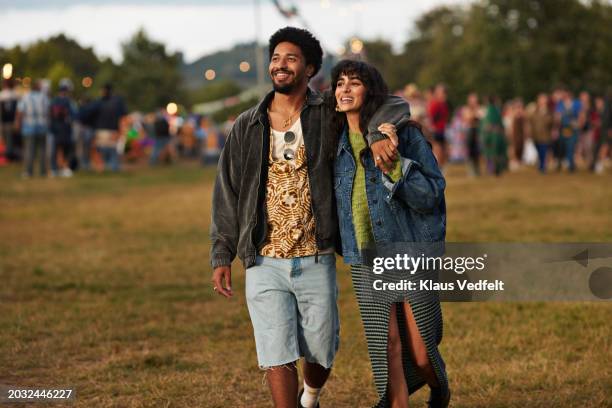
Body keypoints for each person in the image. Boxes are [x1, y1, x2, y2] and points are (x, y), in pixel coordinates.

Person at [210, 26, 408, 408]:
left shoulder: (327, 114)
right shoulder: (247, 125)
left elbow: (394, 103)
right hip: (263, 259)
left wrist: (377, 131)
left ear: (310, 68)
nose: (280, 65)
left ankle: (310, 395)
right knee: (276, 349)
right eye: (275, 58)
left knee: (321, 349)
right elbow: (226, 192)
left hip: (315, 255)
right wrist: (222, 253)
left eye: (291, 58)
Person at [330, 59, 449, 408]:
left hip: (409, 248)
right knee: (387, 346)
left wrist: (396, 166)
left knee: (423, 351)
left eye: (354, 82)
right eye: (340, 83)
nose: (345, 89)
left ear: (371, 91)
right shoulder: (333, 141)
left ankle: (439, 389)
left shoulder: (404, 135)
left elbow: (431, 193)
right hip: (365, 254)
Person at [15, 79, 50, 178]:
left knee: (29, 150)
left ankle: (28, 172)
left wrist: (18, 124)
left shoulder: (26, 97)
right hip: (42, 126)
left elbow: (20, 112)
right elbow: (49, 112)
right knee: (42, 150)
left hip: (29, 127)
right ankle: (43, 172)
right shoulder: (44, 97)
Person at [93, 83, 127, 172]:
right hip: (112, 131)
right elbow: (123, 117)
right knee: (112, 152)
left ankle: (106, 169)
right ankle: (112, 169)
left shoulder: (99, 102)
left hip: (104, 131)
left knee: (104, 152)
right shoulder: (117, 102)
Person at [49, 78, 76, 177]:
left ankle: (54, 169)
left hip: (55, 129)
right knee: (66, 150)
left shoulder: (53, 101)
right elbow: (74, 115)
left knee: (55, 150)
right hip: (65, 129)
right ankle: (65, 168)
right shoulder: (69, 101)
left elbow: (50, 116)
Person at [480, 96, 508, 176]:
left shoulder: (490, 110)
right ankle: (495, 169)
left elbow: (487, 125)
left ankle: (493, 169)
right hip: (495, 135)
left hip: (492, 135)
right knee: (495, 153)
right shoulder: (495, 110)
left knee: (492, 153)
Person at [528, 93, 554, 173]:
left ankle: (543, 167)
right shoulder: (534, 111)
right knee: (539, 151)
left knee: (543, 151)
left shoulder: (549, 111)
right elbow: (530, 120)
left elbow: (551, 122)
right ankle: (541, 165)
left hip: (545, 136)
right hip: (536, 136)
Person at [427, 83, 449, 168]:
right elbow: (431, 117)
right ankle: (438, 170)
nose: (444, 95)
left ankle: (440, 169)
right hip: (436, 131)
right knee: (438, 151)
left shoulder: (443, 104)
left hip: (442, 130)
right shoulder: (435, 104)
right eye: (442, 93)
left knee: (444, 152)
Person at [0, 79, 19, 161]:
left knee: (7, 140)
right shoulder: (15, 95)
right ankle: (9, 155)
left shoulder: (2, 95)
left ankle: (9, 156)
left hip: (5, 121)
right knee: (11, 140)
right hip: (12, 121)